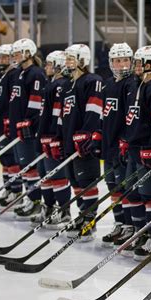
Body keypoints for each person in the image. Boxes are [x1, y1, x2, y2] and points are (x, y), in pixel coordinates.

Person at [122, 45, 151, 261]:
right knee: (133, 193)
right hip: (134, 146)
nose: (136, 66)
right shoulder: (137, 85)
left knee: (150, 195)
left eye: (141, 62)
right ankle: (141, 233)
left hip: (149, 149)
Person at [54, 44, 103, 242]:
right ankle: (82, 215)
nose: (67, 62)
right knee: (75, 181)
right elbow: (61, 115)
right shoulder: (67, 85)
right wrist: (59, 137)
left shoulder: (92, 81)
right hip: (68, 141)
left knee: (87, 182)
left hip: (84, 144)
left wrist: (85, 136)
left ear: (83, 60)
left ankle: (89, 221)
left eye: (71, 58)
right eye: (66, 58)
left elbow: (94, 111)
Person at [96, 43, 138, 250]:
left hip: (122, 145)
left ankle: (130, 226)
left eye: (125, 60)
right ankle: (120, 223)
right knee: (113, 186)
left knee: (125, 187)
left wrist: (126, 139)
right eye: (117, 60)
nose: (121, 64)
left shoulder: (131, 84)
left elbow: (130, 116)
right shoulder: (107, 84)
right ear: (111, 62)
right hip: (109, 144)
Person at [8, 38, 47, 220]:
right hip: (18, 127)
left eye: (17, 53)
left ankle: (36, 201)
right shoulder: (19, 73)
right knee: (24, 166)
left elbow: (36, 101)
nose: (14, 57)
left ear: (27, 53)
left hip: (29, 129)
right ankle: (30, 199)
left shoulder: (36, 73)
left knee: (31, 166)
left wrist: (29, 121)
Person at [33, 50, 72, 229]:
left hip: (53, 137)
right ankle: (48, 208)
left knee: (56, 175)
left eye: (49, 64)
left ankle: (64, 211)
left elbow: (58, 115)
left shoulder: (61, 85)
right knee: (45, 174)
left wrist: (56, 136)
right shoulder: (51, 84)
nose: (46, 67)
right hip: (45, 136)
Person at [0, 44, 23, 210]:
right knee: (4, 159)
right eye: (0, 57)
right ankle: (8, 189)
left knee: (11, 159)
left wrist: (8, 121)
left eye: (5, 57)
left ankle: (16, 192)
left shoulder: (15, 75)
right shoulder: (2, 76)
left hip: (7, 124)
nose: (2, 60)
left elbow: (13, 103)